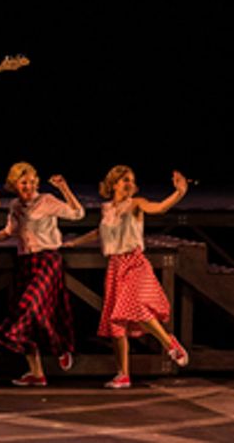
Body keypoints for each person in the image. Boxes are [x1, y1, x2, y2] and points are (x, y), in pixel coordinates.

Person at [68, 166, 189, 389]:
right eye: (124, 180)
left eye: (132, 180)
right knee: (116, 322)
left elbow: (159, 208)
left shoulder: (135, 204)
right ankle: (123, 374)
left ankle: (169, 342)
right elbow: (100, 233)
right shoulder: (107, 209)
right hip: (115, 267)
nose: (129, 184)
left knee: (136, 307)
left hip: (134, 263)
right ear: (114, 184)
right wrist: (74, 243)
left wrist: (179, 192)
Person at [0, 162, 84, 386]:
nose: (27, 186)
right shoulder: (15, 205)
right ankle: (36, 372)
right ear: (15, 184)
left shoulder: (46, 200)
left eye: (30, 182)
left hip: (47, 259)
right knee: (33, 316)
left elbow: (77, 213)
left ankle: (60, 347)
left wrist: (64, 189)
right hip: (26, 261)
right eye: (22, 182)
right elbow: (9, 231)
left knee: (30, 307)